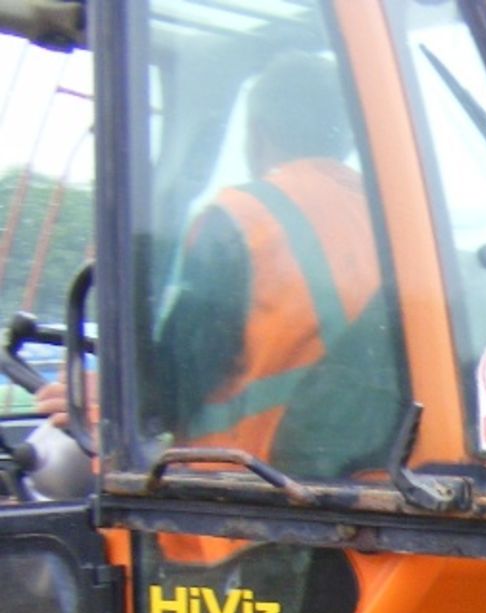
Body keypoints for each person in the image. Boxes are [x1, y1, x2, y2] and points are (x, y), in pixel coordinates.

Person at [36, 51, 381, 462]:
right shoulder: (390, 219)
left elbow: (176, 387)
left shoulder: (244, 219)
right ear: (341, 135)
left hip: (243, 496)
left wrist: (107, 398)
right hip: (356, 488)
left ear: (257, 133)